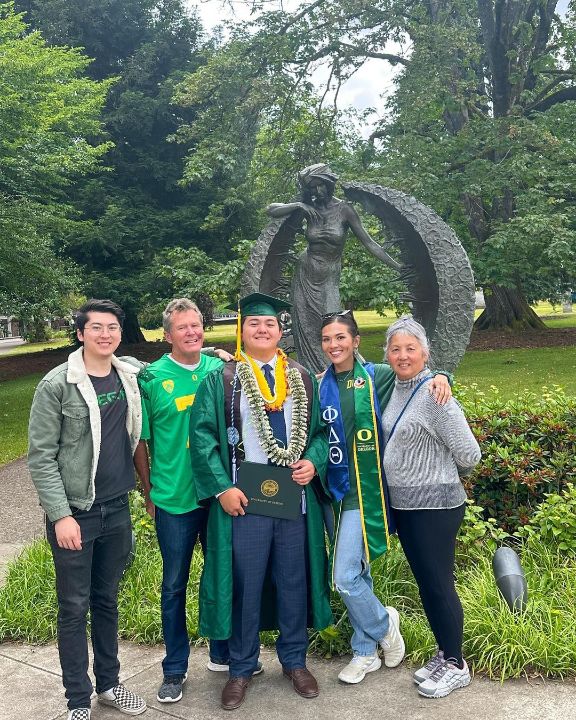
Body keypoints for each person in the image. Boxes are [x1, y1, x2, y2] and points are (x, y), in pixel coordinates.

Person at [189, 292, 333, 711]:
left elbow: (323, 434)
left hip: (292, 502)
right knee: (245, 584)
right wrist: (221, 488)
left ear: (279, 331)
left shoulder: (302, 378)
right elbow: (201, 439)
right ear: (242, 330)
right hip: (244, 502)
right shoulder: (222, 379)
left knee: (293, 580)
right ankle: (240, 668)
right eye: (254, 323)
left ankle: (294, 661)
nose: (262, 329)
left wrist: (312, 462)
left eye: (269, 324)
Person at [27, 299, 147, 720]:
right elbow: (40, 457)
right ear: (80, 334)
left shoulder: (127, 373)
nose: (105, 334)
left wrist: (215, 353)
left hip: (117, 510)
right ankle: (78, 699)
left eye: (112, 327)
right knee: (74, 608)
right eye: (96, 328)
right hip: (76, 514)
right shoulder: (57, 385)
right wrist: (60, 515)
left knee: (107, 600)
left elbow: (176, 361)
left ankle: (110, 685)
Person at [319, 310, 452, 685]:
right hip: (333, 493)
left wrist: (444, 375)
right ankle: (365, 652)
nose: (334, 345)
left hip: (366, 491)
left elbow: (415, 368)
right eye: (327, 339)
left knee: (344, 577)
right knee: (358, 572)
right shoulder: (319, 385)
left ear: (356, 341)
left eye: (341, 337)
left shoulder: (376, 376)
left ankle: (383, 625)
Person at [133, 298, 251, 704]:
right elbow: (141, 443)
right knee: (173, 584)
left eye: (196, 325)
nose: (191, 333)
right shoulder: (151, 379)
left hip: (217, 496)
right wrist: (148, 493)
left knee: (223, 574)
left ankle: (223, 653)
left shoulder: (220, 370)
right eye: (182, 327)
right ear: (168, 335)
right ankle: (174, 668)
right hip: (176, 499)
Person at [382, 316, 481, 699]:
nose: (403, 355)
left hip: (435, 508)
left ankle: (457, 665)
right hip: (407, 508)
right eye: (396, 348)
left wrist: (436, 471)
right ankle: (444, 653)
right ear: (387, 354)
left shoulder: (434, 395)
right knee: (427, 585)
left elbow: (470, 453)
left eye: (411, 348)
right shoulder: (398, 387)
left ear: (425, 353)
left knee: (439, 586)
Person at [267, 163, 401, 372]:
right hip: (305, 276)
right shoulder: (308, 207)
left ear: (329, 184)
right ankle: (311, 379)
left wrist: (397, 267)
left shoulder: (344, 209)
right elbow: (271, 210)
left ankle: (354, 374)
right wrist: (298, 206)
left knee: (336, 326)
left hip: (328, 278)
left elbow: (369, 243)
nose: (316, 192)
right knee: (308, 331)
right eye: (311, 188)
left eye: (320, 186)